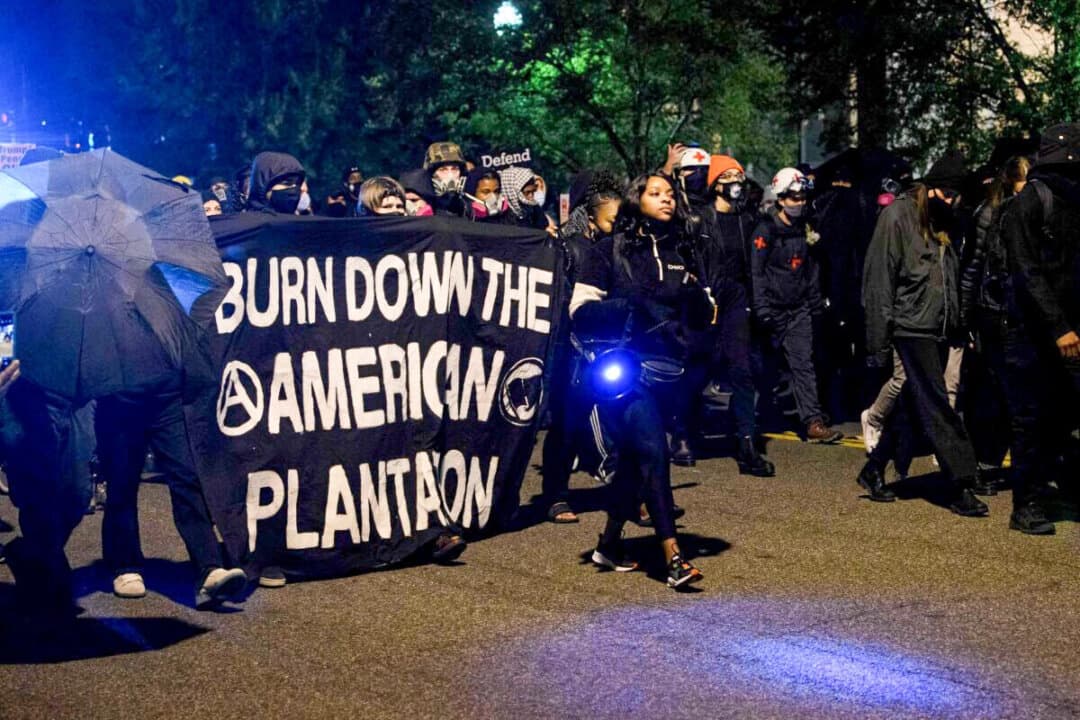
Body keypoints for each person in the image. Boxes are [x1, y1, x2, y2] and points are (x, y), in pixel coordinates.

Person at [569, 173, 709, 589]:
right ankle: (674, 557)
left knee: (634, 460)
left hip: (670, 371)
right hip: (624, 369)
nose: (666, 199)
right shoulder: (609, 250)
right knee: (654, 449)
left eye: (670, 194)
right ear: (636, 200)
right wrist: (627, 308)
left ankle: (609, 544)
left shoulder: (683, 249)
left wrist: (698, 310)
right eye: (655, 193)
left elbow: (701, 314)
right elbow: (579, 311)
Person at [857, 152, 990, 517]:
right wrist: (877, 343)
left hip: (938, 326)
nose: (952, 201)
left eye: (955, 196)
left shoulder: (945, 220)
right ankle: (961, 482)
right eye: (946, 194)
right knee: (937, 406)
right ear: (930, 188)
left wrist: (959, 323)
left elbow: (949, 277)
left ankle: (874, 468)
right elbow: (878, 282)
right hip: (909, 326)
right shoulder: (898, 215)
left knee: (916, 408)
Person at [998, 124, 1080, 534]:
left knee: (1063, 416)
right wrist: (1058, 326)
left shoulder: (1072, 201)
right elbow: (1026, 272)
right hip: (1032, 334)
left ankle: (1058, 485)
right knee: (1030, 419)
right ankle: (1025, 504)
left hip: (1069, 331)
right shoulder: (1031, 202)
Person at [542, 170, 624, 523]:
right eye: (613, 218)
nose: (620, 223)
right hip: (572, 352)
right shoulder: (569, 248)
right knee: (567, 424)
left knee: (628, 420)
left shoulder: (621, 250)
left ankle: (634, 493)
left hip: (611, 348)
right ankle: (556, 495)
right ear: (591, 215)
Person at [751, 168, 842, 443]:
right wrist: (762, 308)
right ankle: (757, 415)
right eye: (793, 198)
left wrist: (814, 303)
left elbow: (810, 270)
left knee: (803, 365)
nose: (799, 203)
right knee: (766, 368)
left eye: (802, 198)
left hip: (798, 309)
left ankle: (813, 421)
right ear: (780, 199)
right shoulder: (765, 230)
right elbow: (756, 272)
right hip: (772, 310)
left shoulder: (805, 229)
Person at [699, 155, 775, 476]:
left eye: (739, 176)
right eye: (728, 176)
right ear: (716, 183)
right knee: (696, 368)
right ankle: (681, 433)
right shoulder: (700, 220)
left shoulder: (748, 219)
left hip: (737, 300)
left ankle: (747, 444)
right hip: (707, 299)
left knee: (742, 371)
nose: (735, 183)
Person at [957, 155, 1031, 479]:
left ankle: (1006, 460)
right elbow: (971, 266)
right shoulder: (990, 212)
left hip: (1017, 312)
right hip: (991, 311)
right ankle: (984, 460)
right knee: (993, 391)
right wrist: (965, 317)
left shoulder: (1028, 210)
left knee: (1016, 393)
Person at [498, 166, 552, 231]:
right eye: (527, 192)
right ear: (512, 191)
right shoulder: (500, 217)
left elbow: (543, 227)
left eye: (533, 191)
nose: (531, 197)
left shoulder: (534, 208)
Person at [423, 142, 468, 217]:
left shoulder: (466, 206)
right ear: (431, 174)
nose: (450, 175)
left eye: (454, 169)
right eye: (443, 170)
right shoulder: (423, 205)